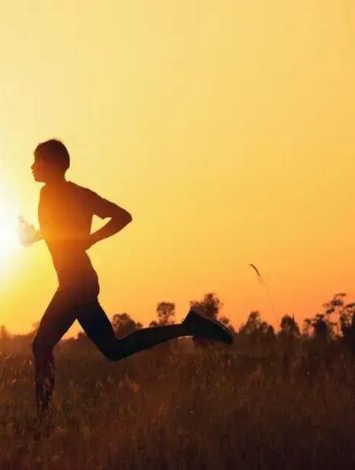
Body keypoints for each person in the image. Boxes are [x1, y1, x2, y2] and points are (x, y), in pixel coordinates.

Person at [18, 139, 232, 413]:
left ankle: (42, 421)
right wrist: (34, 236)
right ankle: (189, 327)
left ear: (51, 165)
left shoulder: (55, 195)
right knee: (113, 349)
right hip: (78, 281)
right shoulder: (74, 195)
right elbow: (66, 230)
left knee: (41, 345)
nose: (32, 167)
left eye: (37, 161)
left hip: (75, 284)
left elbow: (121, 217)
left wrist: (90, 239)